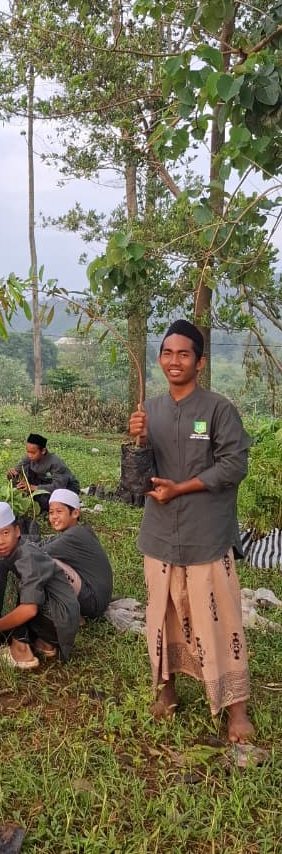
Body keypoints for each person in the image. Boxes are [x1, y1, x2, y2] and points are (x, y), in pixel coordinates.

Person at [129, 318, 254, 742]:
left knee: (219, 619)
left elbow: (235, 465)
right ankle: (166, 691)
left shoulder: (219, 410)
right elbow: (136, 480)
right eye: (167, 353)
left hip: (207, 534)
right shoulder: (153, 411)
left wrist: (182, 487)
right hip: (160, 534)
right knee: (162, 617)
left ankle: (236, 708)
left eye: (184, 354)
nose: (174, 361)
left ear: (200, 362)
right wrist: (139, 443)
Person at [0, 500, 80, 668]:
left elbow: (29, 609)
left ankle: (21, 650)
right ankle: (44, 643)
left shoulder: (27, 556)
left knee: (4, 574)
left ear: (17, 531)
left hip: (59, 619)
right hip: (54, 617)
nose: (0, 541)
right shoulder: (2, 553)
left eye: (5, 533)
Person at [42, 490, 113, 619]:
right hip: (94, 596)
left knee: (46, 562)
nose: (54, 517)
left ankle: (66, 613)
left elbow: (39, 553)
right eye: (51, 512)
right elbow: (45, 542)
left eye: (59, 511)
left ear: (75, 513)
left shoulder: (74, 536)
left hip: (93, 604)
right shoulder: (79, 531)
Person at [7, 434, 80, 510]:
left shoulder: (55, 463)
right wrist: (12, 474)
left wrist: (32, 487)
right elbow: (16, 472)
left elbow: (58, 487)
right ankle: (33, 496)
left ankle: (35, 497)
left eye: (33, 453)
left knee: (47, 502)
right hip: (43, 482)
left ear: (43, 451)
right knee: (15, 484)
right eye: (28, 452)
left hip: (65, 488)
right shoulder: (28, 457)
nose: (29, 455)